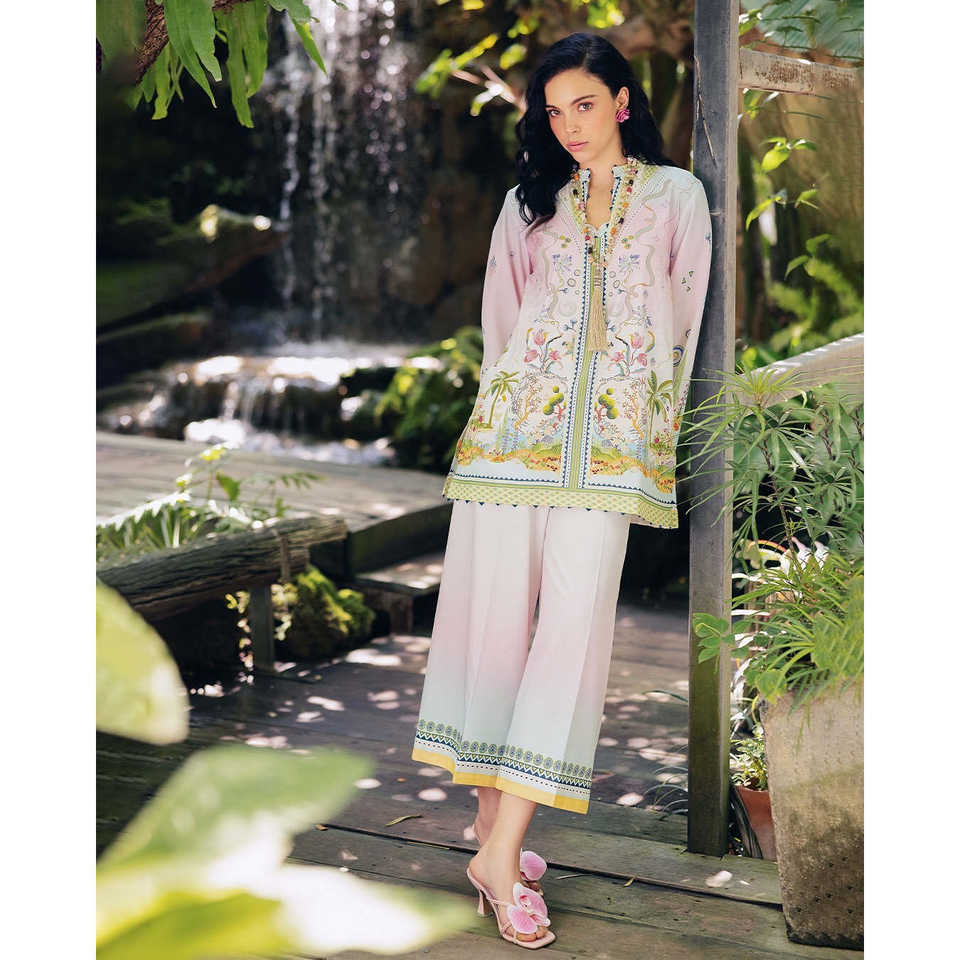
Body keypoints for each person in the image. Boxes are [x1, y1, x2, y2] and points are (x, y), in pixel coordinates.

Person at [411, 31, 712, 949]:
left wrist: (655, 438)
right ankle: (493, 840)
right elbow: (502, 323)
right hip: (511, 444)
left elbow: (684, 321)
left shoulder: (675, 197)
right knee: (492, 631)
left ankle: (499, 853)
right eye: (553, 111)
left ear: (622, 101)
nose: (570, 126)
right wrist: (499, 414)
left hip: (612, 457)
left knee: (570, 639)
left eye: (585, 104)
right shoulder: (528, 203)